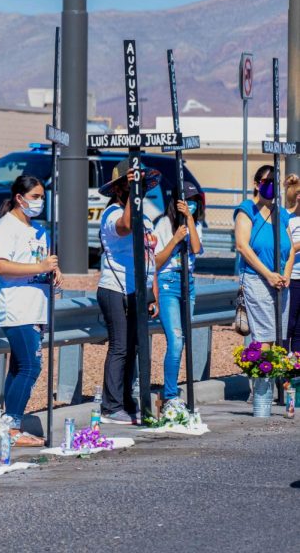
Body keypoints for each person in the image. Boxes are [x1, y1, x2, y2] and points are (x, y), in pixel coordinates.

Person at [0, 176, 60, 446]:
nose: (40, 202)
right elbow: (1, 266)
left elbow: (42, 261)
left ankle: (6, 425)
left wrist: (54, 271)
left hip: (36, 307)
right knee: (32, 366)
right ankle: (12, 426)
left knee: (19, 366)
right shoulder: (5, 228)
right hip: (16, 307)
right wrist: (40, 268)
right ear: (19, 198)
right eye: (35, 197)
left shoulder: (39, 230)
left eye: (42, 197)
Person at [97, 160, 160, 425]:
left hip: (138, 290)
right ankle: (110, 406)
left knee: (135, 347)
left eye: (142, 184)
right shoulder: (112, 214)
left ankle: (126, 400)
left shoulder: (145, 218)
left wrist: (151, 294)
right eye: (133, 184)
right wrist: (132, 195)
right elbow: (125, 226)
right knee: (120, 347)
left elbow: (150, 259)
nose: (140, 189)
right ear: (119, 188)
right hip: (115, 288)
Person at [153, 181, 204, 411]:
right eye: (187, 202)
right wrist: (174, 239)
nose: (191, 205)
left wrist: (190, 220)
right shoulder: (164, 224)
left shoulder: (195, 223)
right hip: (168, 283)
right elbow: (155, 261)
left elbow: (195, 248)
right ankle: (170, 395)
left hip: (188, 283)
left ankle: (173, 392)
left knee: (183, 340)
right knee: (175, 340)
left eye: (194, 202)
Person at [234, 165, 293, 347]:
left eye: (275, 182)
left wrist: (287, 275)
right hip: (257, 279)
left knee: (279, 337)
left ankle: (275, 374)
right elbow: (242, 246)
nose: (271, 186)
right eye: (267, 182)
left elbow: (290, 248)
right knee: (265, 337)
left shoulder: (281, 213)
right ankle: (264, 374)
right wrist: (268, 275)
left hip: (281, 282)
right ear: (257, 184)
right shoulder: (247, 210)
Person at [285, 174, 300, 352]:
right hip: (293, 278)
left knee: (299, 330)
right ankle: (281, 372)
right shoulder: (288, 218)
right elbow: (286, 248)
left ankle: (296, 372)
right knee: (288, 325)